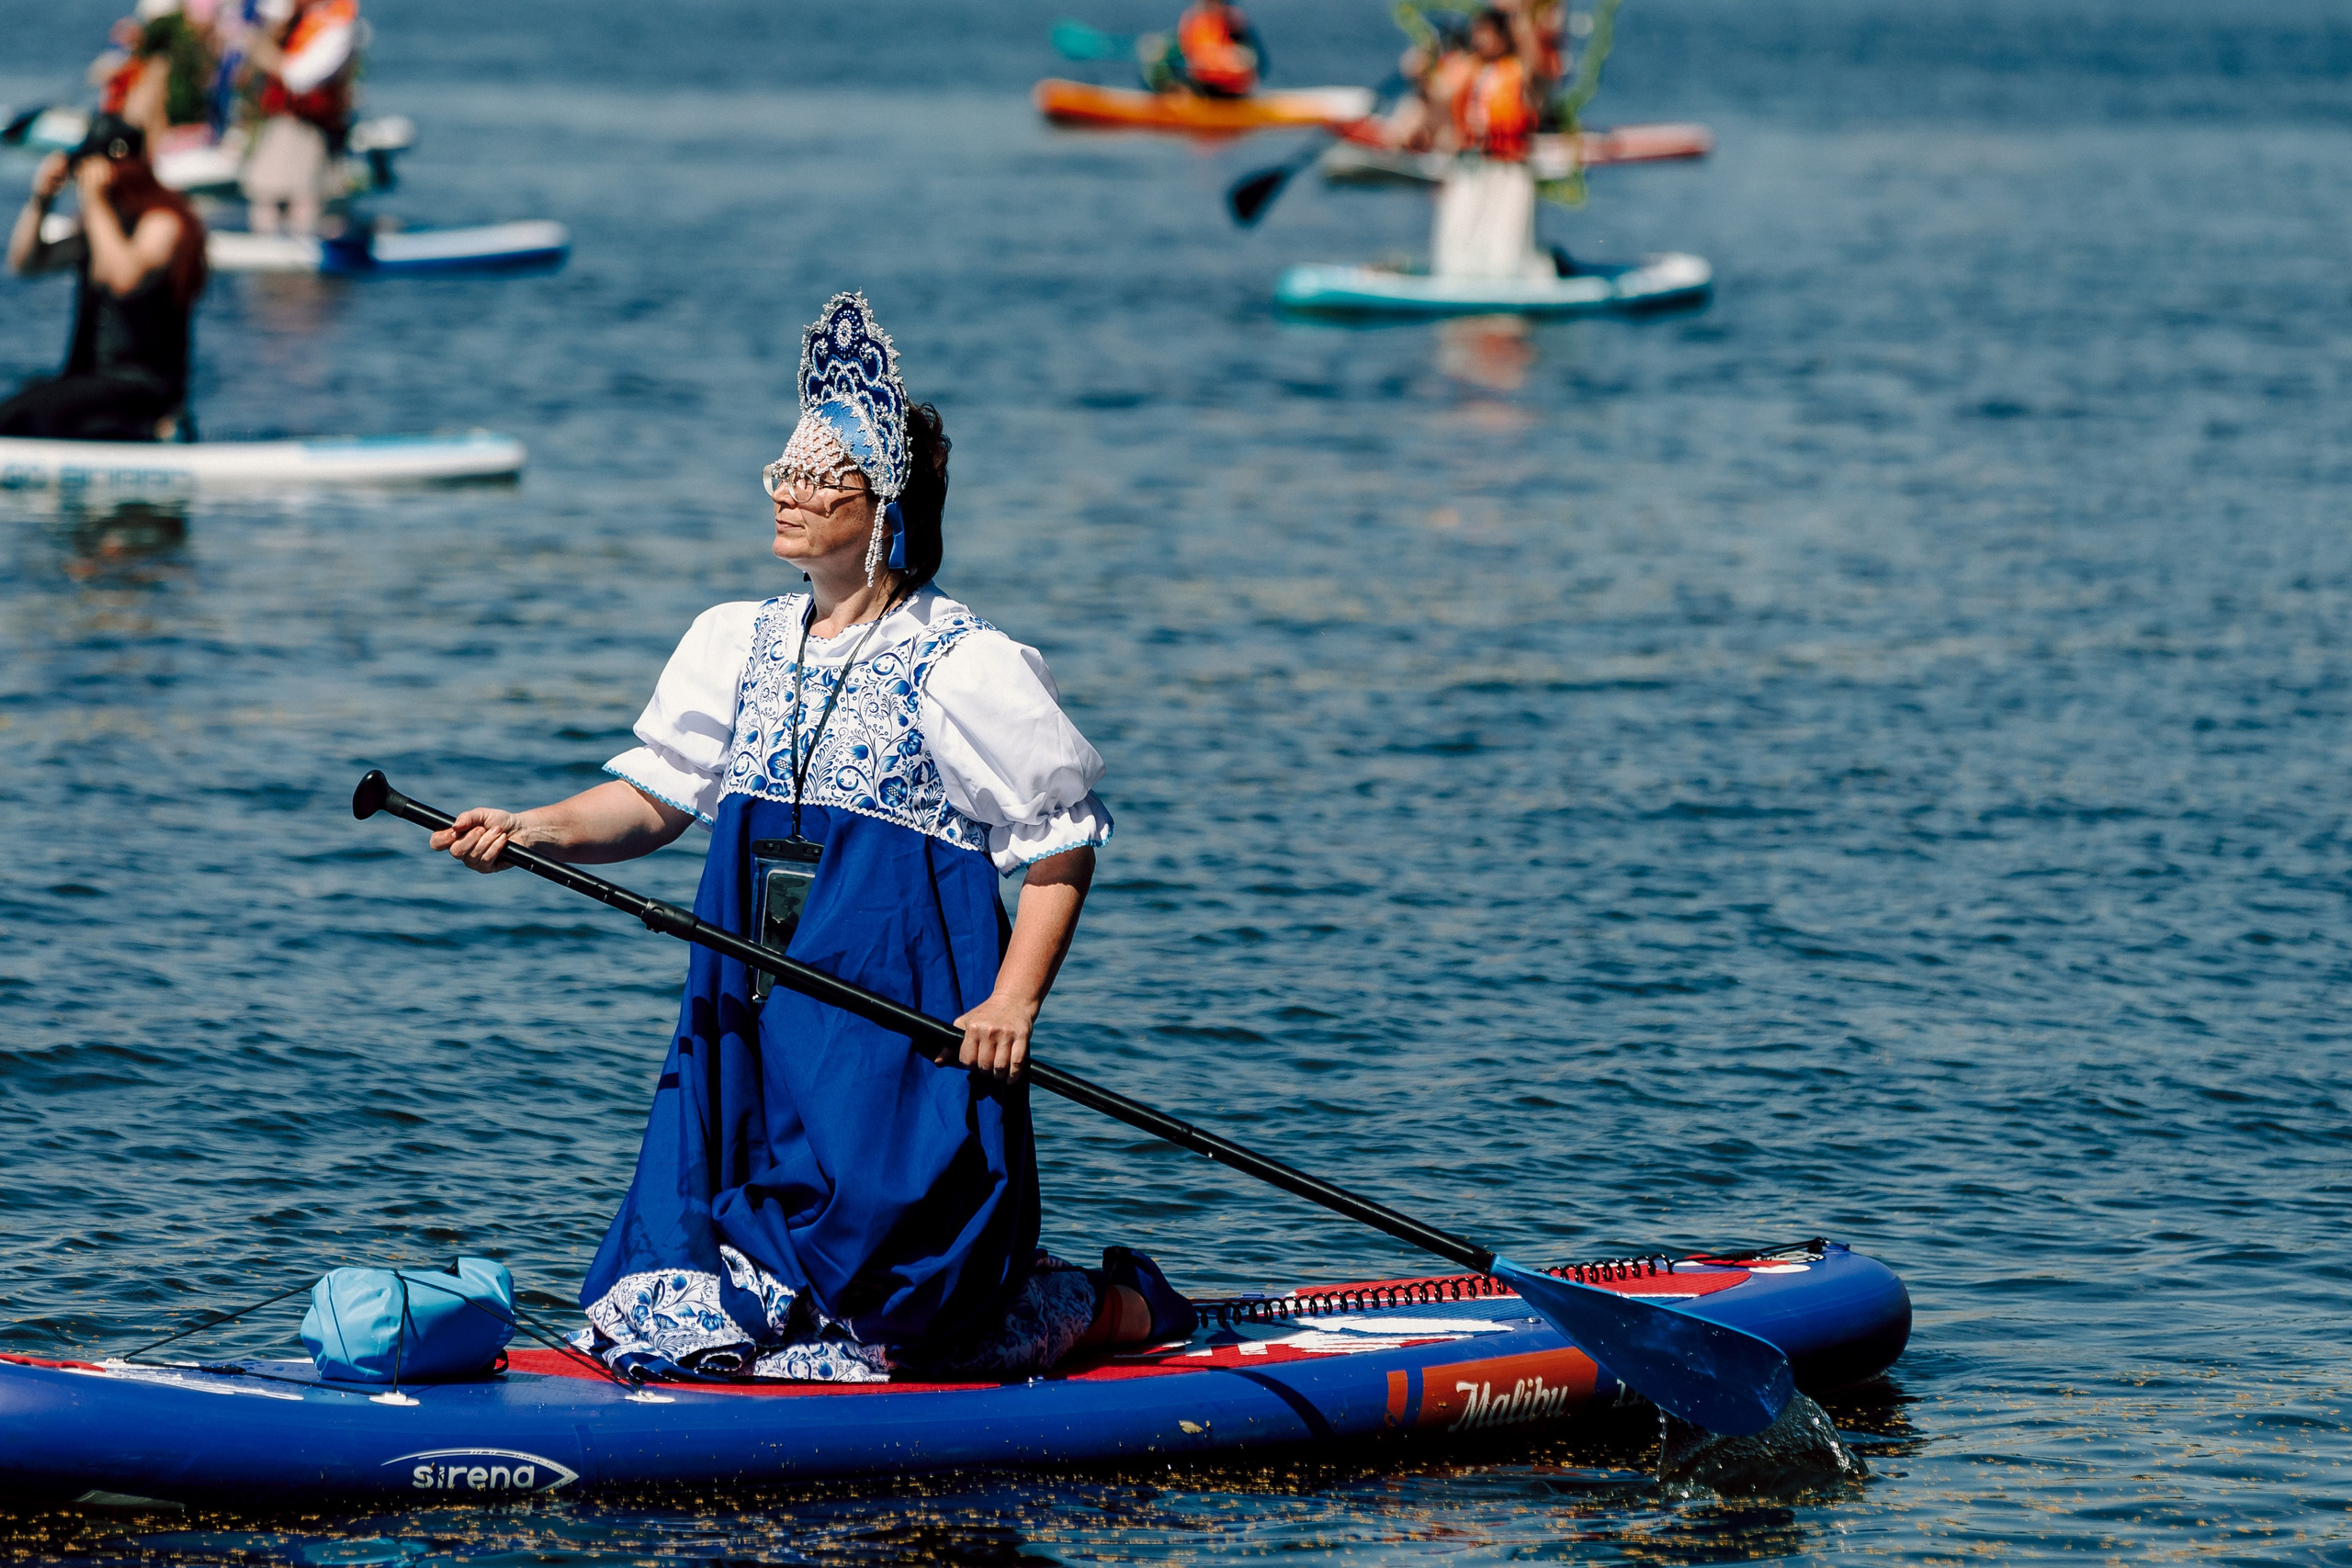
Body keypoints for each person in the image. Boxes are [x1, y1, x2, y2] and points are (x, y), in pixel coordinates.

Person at [426, 293, 1195, 1384]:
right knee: (711, 1275)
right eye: (779, 473)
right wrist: (532, 829)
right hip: (748, 1004)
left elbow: (1059, 841)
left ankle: (1105, 1309)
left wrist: (1013, 1002)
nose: (785, 496)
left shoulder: (963, 664)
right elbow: (654, 799)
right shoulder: (731, 640)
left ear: (882, 506)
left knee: (901, 1306)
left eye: (816, 479)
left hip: (892, 1017)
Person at [1, 117, 208, 442]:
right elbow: (25, 264)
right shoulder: (99, 230)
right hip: (90, 380)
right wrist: (42, 200)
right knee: (27, 401)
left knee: (24, 412)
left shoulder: (163, 223)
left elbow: (124, 279)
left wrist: (95, 202)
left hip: (140, 386)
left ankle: (160, 429)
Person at [1429, 0, 1554, 280]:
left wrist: (1522, 17)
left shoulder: (1519, 71)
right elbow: (1440, 100)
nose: (1479, 39)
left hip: (1508, 169)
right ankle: (1457, 281)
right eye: (1477, 32)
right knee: (1459, 235)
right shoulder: (1467, 69)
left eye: (1486, 33)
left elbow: (1535, 65)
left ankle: (1509, 285)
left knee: (1505, 243)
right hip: (1470, 165)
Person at [235, 0, 359, 235]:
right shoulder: (299, 18)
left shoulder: (337, 25)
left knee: (304, 199)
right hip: (284, 122)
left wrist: (264, 53)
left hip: (311, 126)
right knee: (266, 196)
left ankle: (302, 255)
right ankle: (271, 251)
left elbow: (301, 79)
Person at [1149, 0, 1265, 97]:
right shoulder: (1194, 20)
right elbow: (1177, 48)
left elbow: (1259, 61)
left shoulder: (1233, 22)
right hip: (1201, 85)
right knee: (1175, 85)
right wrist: (1161, 49)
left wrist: (1241, 59)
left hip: (1230, 90)